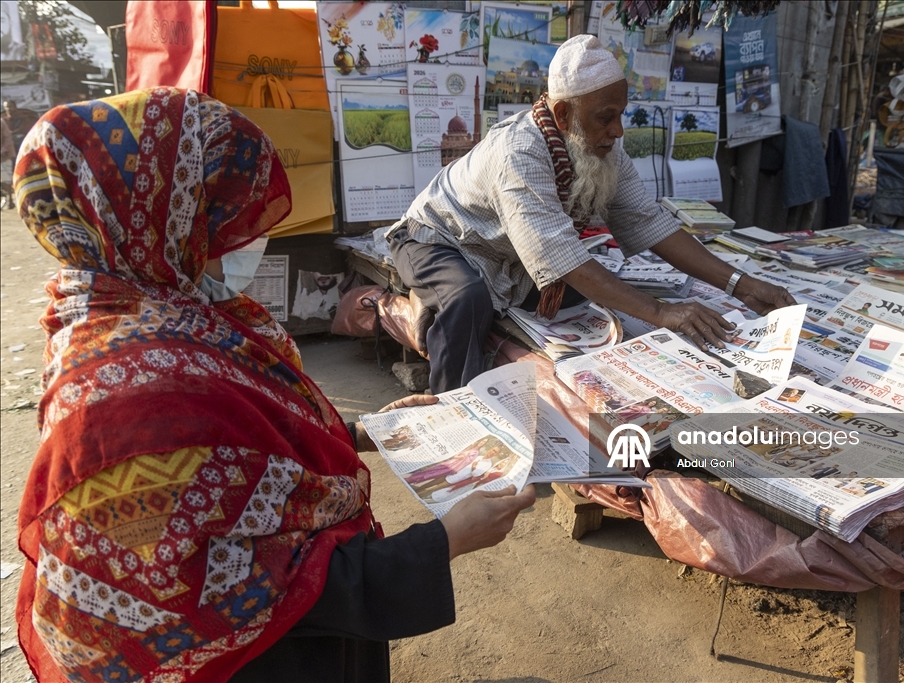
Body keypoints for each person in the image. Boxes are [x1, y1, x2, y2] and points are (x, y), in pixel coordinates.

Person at [13, 88, 535, 683]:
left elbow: (245, 443)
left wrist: (365, 432)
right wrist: (440, 542)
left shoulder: (151, 312)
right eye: (220, 216)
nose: (244, 240)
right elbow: (244, 590)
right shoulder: (133, 395)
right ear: (158, 220)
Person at [389, 34, 795, 394]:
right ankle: (450, 414)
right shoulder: (519, 152)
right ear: (563, 114)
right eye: (606, 117)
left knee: (590, 292)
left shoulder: (603, 145)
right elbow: (561, 258)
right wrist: (660, 312)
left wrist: (740, 284)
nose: (618, 131)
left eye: (621, 115)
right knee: (468, 298)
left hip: (504, 257)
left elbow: (647, 221)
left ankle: (439, 300)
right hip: (437, 239)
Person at [1, 116, 13, 208]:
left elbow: (8, 138)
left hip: (4, 155)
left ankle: (10, 200)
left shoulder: (1, 122)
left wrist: (3, 151)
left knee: (7, 179)